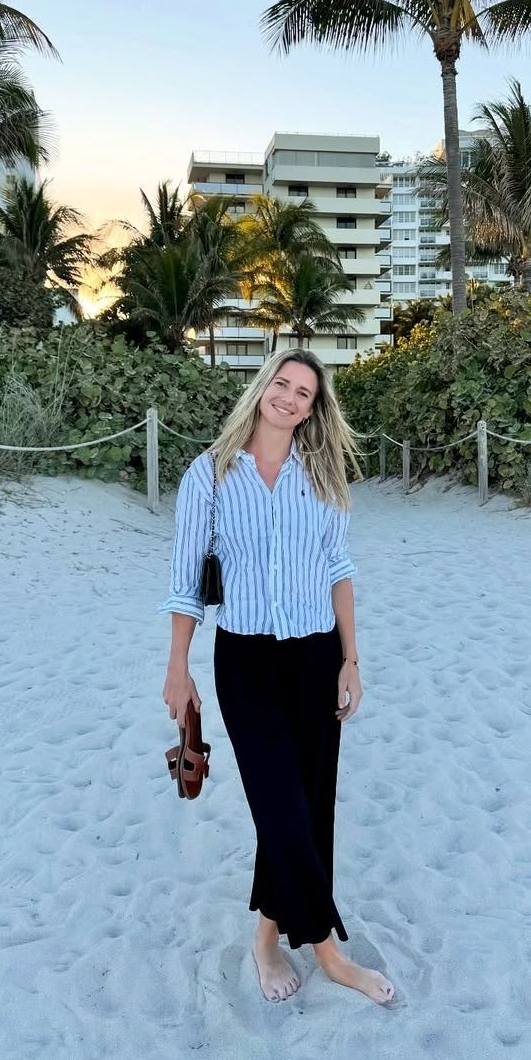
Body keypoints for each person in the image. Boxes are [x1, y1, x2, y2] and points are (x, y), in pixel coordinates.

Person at [158, 349, 395, 1006]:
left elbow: (338, 569)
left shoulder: (322, 474)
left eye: (304, 393)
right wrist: (178, 667)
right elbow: (185, 582)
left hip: (317, 656)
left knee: (308, 803)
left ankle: (266, 938)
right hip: (246, 662)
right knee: (279, 804)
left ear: (313, 409)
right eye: (282, 384)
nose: (289, 398)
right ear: (262, 388)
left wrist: (351, 660)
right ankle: (328, 951)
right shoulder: (208, 474)